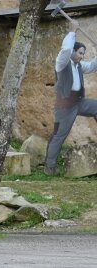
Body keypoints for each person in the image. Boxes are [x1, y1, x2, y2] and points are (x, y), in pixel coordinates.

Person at [46, 22, 97, 175]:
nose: (82, 56)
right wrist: (72, 32)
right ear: (73, 52)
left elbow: (94, 66)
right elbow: (66, 49)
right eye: (80, 53)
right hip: (64, 106)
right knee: (59, 135)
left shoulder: (79, 65)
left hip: (79, 102)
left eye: (83, 54)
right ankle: (50, 167)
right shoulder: (62, 63)